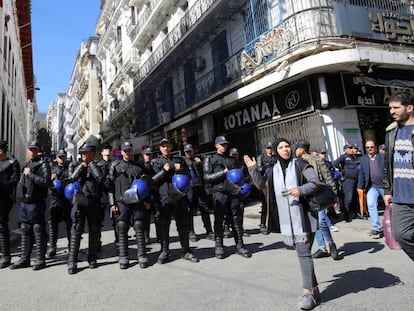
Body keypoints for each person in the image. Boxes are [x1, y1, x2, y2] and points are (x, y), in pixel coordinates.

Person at [244, 138, 320, 310]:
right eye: (281, 147)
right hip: (290, 221)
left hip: (306, 217)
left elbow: (315, 183)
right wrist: (252, 169)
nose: (285, 149)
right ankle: (314, 289)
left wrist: (299, 191)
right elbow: (261, 185)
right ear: (276, 152)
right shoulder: (273, 171)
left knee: (303, 252)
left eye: (287, 146)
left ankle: (308, 293)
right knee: (304, 253)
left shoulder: (300, 164)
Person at [152, 138, 199, 264]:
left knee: (183, 225)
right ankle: (165, 251)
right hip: (164, 197)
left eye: (168, 146)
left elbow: (190, 176)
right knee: (164, 225)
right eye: (163, 146)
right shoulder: (156, 162)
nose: (166, 148)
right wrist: (164, 171)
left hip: (179, 197)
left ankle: (186, 250)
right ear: (160, 148)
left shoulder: (179, 160)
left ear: (171, 147)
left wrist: (180, 169)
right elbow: (153, 180)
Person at [203, 136, 251, 259]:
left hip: (233, 193)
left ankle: (240, 245)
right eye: (221, 144)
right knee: (219, 220)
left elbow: (241, 174)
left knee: (236, 220)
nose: (224, 146)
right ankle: (219, 246)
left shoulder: (232, 159)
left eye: (225, 144)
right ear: (216, 145)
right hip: (219, 193)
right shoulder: (210, 159)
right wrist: (222, 173)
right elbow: (207, 177)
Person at [108, 141, 151, 269]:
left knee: (139, 226)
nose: (127, 152)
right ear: (122, 152)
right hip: (122, 202)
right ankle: (123, 256)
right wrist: (112, 203)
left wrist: (147, 200)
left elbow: (145, 185)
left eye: (129, 150)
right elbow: (109, 187)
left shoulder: (139, 166)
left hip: (137, 201)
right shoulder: (115, 166)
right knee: (122, 226)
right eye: (125, 150)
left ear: (132, 151)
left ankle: (142, 255)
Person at [295, 140, 339, 260]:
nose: (295, 150)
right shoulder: (297, 163)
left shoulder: (317, 160)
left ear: (302, 149)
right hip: (307, 197)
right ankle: (322, 247)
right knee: (315, 223)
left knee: (321, 221)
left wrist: (334, 196)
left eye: (297, 148)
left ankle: (331, 244)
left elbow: (328, 177)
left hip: (320, 196)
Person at [383, 91, 414, 261]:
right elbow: (387, 164)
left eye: (396, 107)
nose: (392, 111)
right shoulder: (391, 134)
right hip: (401, 197)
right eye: (390, 108)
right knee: (400, 234)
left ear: (409, 108)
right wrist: (387, 190)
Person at [10, 141, 51, 270]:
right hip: (24, 203)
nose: (32, 151)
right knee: (25, 229)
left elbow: (45, 182)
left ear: (37, 151)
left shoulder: (43, 164)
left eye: (35, 149)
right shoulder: (27, 165)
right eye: (30, 149)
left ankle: (40, 259)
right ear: (27, 150)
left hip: (36, 202)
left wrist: (30, 174)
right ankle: (24, 259)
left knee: (38, 229)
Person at [66, 143, 104, 274]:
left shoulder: (99, 165)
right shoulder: (76, 165)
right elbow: (71, 179)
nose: (83, 155)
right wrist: (82, 166)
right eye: (82, 153)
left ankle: (92, 257)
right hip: (80, 202)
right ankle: (72, 261)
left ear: (92, 153)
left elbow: (101, 180)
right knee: (76, 230)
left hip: (93, 202)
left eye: (85, 153)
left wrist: (91, 165)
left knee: (94, 230)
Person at [182, 144, 214, 241]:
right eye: (187, 152)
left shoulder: (198, 159)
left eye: (190, 151)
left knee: (204, 209)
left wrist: (200, 164)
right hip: (190, 188)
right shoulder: (183, 161)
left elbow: (205, 171)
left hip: (200, 187)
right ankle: (191, 231)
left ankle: (209, 231)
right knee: (190, 210)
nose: (189, 153)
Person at [46, 149, 72, 258]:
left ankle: (72, 246)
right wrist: (51, 179)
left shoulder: (70, 168)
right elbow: (46, 182)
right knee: (53, 224)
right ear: (57, 158)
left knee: (70, 224)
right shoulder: (52, 168)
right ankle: (52, 247)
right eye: (60, 157)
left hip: (67, 200)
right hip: (55, 199)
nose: (62, 159)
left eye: (63, 156)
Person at [357, 140, 385, 239]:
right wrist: (360, 187)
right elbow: (362, 174)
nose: (370, 149)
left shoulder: (382, 157)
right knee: (371, 205)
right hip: (372, 186)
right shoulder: (363, 159)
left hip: (384, 186)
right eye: (367, 147)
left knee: (390, 207)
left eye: (371, 147)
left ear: (376, 147)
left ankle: (392, 227)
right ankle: (377, 228)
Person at [0, 140, 20, 268]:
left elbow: (15, 180)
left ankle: (6, 256)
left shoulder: (13, 163)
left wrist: (3, 186)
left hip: (4, 198)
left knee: (2, 225)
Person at [333, 143, 360, 222]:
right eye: (350, 148)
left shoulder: (354, 157)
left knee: (355, 197)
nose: (352, 149)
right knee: (348, 197)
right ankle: (347, 215)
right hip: (348, 179)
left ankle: (355, 213)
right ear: (346, 149)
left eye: (352, 148)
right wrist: (341, 169)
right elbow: (335, 163)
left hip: (356, 178)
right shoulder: (344, 157)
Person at [140, 147, 160, 244]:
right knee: (145, 217)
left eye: (150, 155)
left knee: (158, 215)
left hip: (155, 193)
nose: (149, 156)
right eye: (147, 155)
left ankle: (159, 235)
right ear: (143, 156)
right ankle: (146, 236)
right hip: (145, 194)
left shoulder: (155, 165)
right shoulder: (141, 167)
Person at [256, 142, 277, 235]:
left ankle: (274, 224)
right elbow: (259, 169)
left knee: (275, 203)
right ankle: (263, 224)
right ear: (266, 149)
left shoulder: (275, 157)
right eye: (268, 148)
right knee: (265, 204)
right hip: (265, 183)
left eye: (271, 148)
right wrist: (267, 166)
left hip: (275, 182)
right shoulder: (262, 158)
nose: (270, 150)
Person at [229, 147, 250, 237]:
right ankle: (226, 228)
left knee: (240, 210)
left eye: (236, 155)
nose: (234, 156)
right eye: (233, 155)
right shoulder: (227, 164)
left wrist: (242, 181)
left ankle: (240, 229)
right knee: (228, 211)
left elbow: (248, 177)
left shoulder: (241, 165)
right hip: (230, 190)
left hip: (240, 190)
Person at [98, 145, 115, 247]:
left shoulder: (114, 163)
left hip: (112, 192)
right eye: (105, 150)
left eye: (109, 149)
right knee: (99, 219)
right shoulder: (98, 164)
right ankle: (97, 241)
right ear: (102, 152)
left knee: (116, 218)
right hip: (102, 194)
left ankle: (119, 238)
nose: (107, 151)